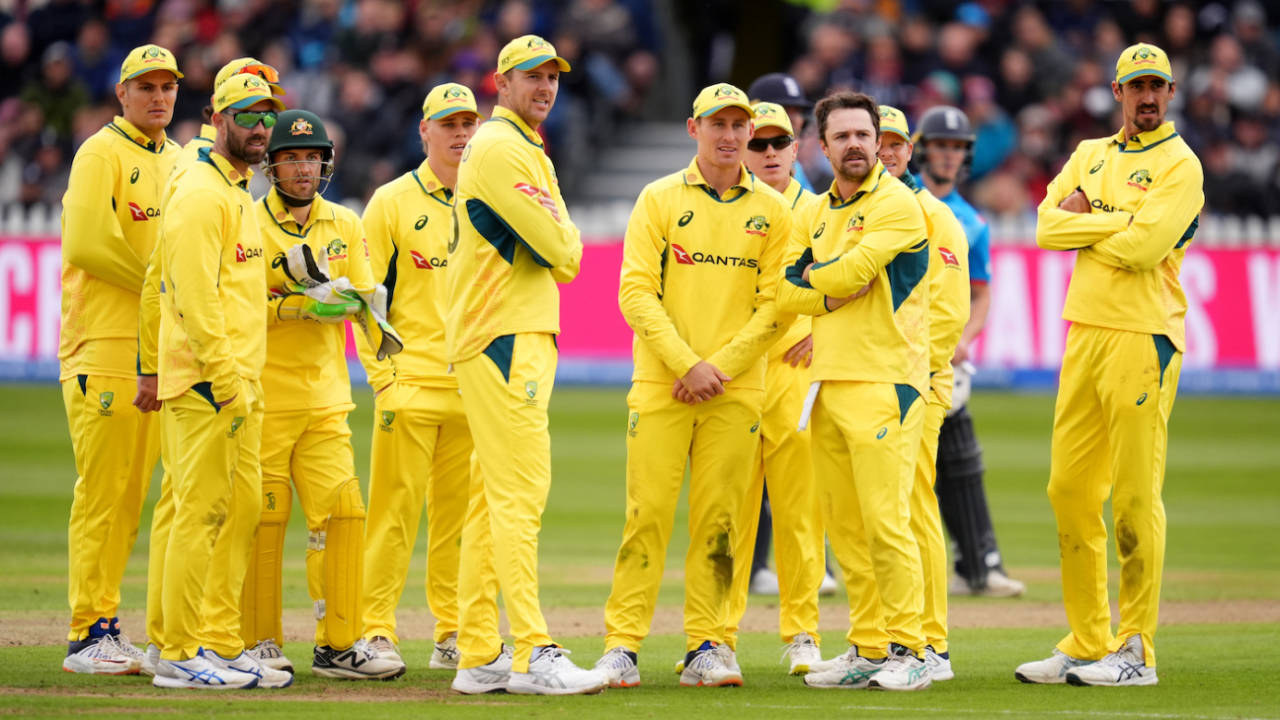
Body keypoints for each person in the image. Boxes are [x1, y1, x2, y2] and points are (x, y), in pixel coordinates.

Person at [592, 83, 791, 690]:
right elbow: (635, 293)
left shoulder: (774, 212)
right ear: (692, 128)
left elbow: (777, 306)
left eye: (740, 125)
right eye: (718, 124)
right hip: (661, 385)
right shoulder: (658, 199)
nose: (731, 135)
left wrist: (717, 368)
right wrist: (686, 365)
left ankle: (711, 643)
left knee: (722, 521)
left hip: (733, 391)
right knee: (645, 516)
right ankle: (622, 646)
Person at [1017, 42, 1202, 687]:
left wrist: (1092, 215)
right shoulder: (1089, 154)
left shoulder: (1182, 165)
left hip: (1142, 337)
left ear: (1170, 95)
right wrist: (1116, 222)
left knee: (1132, 497)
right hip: (1085, 332)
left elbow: (1146, 249)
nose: (1147, 97)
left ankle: (1136, 650)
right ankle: (1087, 637)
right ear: (1117, 92)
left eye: (1157, 86)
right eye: (1135, 86)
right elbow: (1043, 226)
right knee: (1067, 490)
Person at [445, 35, 604, 696]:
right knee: (518, 494)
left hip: (507, 333)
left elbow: (561, 242)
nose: (545, 88)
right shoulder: (505, 147)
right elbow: (565, 252)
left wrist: (560, 232)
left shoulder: (517, 145)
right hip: (504, 334)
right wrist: (561, 233)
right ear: (501, 83)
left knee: (491, 500)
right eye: (531, 78)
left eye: (552, 79)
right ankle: (532, 651)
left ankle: (480, 652)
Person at [239, 108, 404, 680]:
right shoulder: (248, 223)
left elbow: (363, 293)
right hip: (262, 398)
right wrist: (297, 305)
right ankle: (256, 643)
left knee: (345, 514)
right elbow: (237, 309)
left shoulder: (345, 224)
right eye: (291, 158)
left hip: (326, 400)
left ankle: (339, 644)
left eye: (312, 158)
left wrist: (369, 314)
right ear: (272, 165)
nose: (303, 168)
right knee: (264, 519)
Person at [136, 56, 287, 678]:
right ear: (219, 118)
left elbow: (156, 285)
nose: (259, 129)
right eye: (248, 117)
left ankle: (205, 641)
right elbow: (191, 297)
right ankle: (178, 653)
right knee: (200, 513)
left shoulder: (231, 187)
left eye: (267, 118)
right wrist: (223, 379)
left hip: (234, 380)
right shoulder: (201, 191)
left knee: (234, 509)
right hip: (209, 382)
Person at [778, 90, 932, 692]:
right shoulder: (814, 212)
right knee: (845, 527)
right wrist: (825, 283)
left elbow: (845, 274)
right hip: (827, 383)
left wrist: (817, 276)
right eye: (842, 136)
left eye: (864, 135)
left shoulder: (898, 204)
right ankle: (869, 646)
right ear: (822, 146)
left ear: (879, 140)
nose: (856, 146)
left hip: (885, 380)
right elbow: (784, 289)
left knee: (886, 522)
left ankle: (912, 648)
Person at [826, 104, 968, 684]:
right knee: (864, 515)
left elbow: (950, 312)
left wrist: (924, 376)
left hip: (913, 381)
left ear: (910, 150)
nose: (881, 151)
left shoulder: (934, 216)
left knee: (909, 510)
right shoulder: (848, 207)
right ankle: (876, 641)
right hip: (861, 375)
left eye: (891, 142)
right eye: (869, 140)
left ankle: (929, 643)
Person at [58, 43, 181, 676]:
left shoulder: (181, 161)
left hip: (157, 352)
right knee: (104, 494)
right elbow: (85, 243)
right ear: (122, 94)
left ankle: (106, 623)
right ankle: (86, 633)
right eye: (147, 87)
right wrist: (164, 283)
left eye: (168, 87)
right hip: (102, 347)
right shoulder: (100, 152)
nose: (159, 97)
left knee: (134, 497)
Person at [357, 83, 481, 673]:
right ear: (424, 132)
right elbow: (365, 297)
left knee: (457, 523)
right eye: (448, 124)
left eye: (468, 124)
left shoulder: (490, 199)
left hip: (472, 389)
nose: (460, 135)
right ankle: (376, 630)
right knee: (393, 515)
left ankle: (452, 632)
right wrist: (384, 377)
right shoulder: (391, 201)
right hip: (409, 386)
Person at [723, 101, 826, 676]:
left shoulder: (820, 210)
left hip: (793, 378)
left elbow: (853, 281)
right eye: (756, 143)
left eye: (776, 143)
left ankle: (802, 632)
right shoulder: (726, 207)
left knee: (799, 514)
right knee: (731, 513)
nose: (766, 153)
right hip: (737, 377)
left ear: (795, 147)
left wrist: (821, 333)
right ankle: (719, 635)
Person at [914, 104, 1025, 598]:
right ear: (923, 149)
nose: (948, 155)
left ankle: (978, 564)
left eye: (957, 147)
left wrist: (965, 340)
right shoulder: (896, 203)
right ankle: (978, 563)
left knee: (958, 456)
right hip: (890, 350)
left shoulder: (971, 222)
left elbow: (980, 291)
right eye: (941, 145)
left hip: (940, 356)